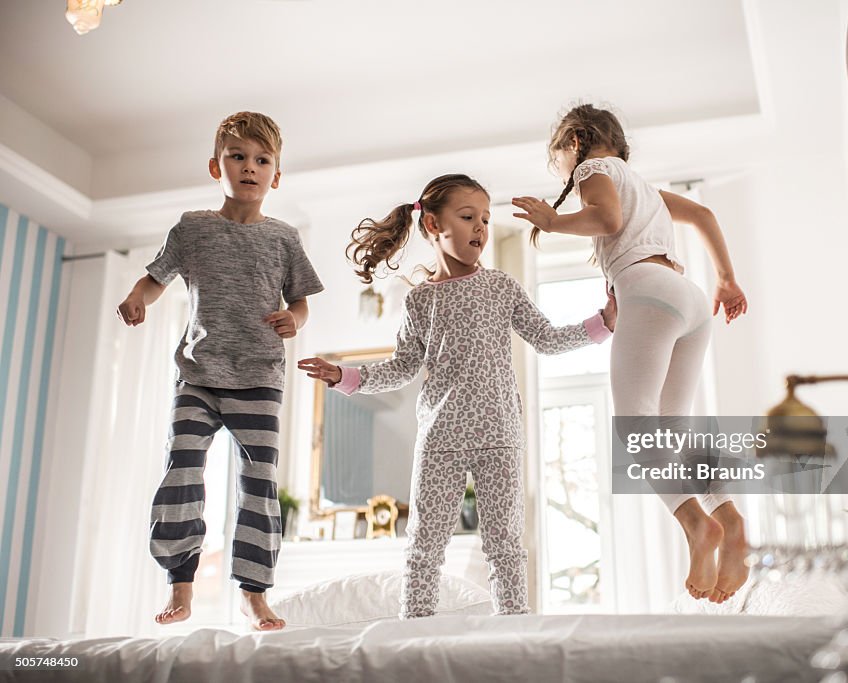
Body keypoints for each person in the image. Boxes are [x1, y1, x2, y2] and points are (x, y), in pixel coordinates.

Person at [298, 173, 615, 618]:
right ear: (432, 225)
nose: (481, 228)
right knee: (424, 547)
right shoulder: (419, 302)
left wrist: (604, 321)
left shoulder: (501, 287)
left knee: (506, 545)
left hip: (499, 433)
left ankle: (514, 633)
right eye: (468, 217)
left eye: (485, 218)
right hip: (441, 436)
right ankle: (416, 635)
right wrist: (343, 377)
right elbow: (402, 368)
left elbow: (546, 339)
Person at [512, 104, 749, 604]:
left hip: (649, 291)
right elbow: (704, 214)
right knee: (673, 426)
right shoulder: (643, 186)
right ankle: (729, 518)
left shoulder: (593, 170)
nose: (562, 173)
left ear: (574, 143)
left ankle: (697, 526)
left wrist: (554, 220)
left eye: (558, 161)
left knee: (636, 425)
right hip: (688, 297)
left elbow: (607, 217)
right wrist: (726, 278)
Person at [117, 111, 323, 630]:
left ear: (276, 175)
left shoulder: (284, 238)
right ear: (217, 166)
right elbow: (154, 278)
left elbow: (301, 303)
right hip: (200, 375)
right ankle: (180, 583)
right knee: (182, 466)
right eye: (238, 157)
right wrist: (137, 299)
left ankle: (253, 592)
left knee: (260, 482)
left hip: (258, 377)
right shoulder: (192, 229)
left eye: (262, 160)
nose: (249, 167)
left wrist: (292, 320)